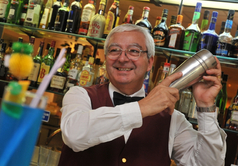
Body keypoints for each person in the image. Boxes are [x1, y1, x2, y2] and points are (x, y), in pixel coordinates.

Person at [58, 24, 226, 166]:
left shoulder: (172, 119)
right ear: (105, 57)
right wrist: (142, 107)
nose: (123, 58)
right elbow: (74, 135)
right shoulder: (79, 95)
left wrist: (206, 107)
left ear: (150, 62)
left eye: (134, 51)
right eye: (115, 50)